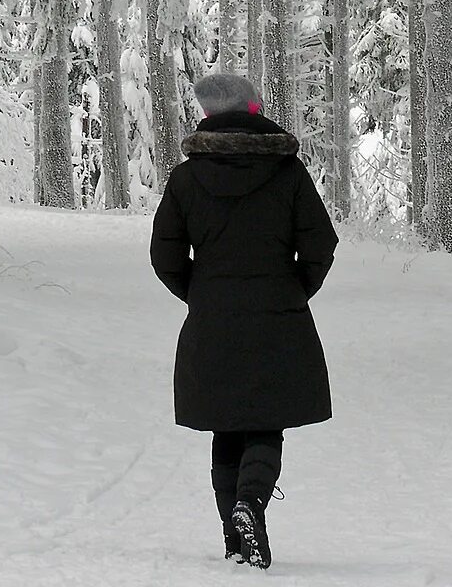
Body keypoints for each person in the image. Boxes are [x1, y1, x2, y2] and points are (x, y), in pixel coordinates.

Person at [150, 73, 339, 570]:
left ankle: (234, 540)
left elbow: (164, 255)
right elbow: (321, 243)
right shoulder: (286, 171)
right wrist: (295, 288)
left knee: (225, 425)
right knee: (264, 421)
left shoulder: (186, 178)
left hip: (212, 319)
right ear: (255, 109)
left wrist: (200, 293)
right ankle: (250, 504)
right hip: (277, 316)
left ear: (209, 116)